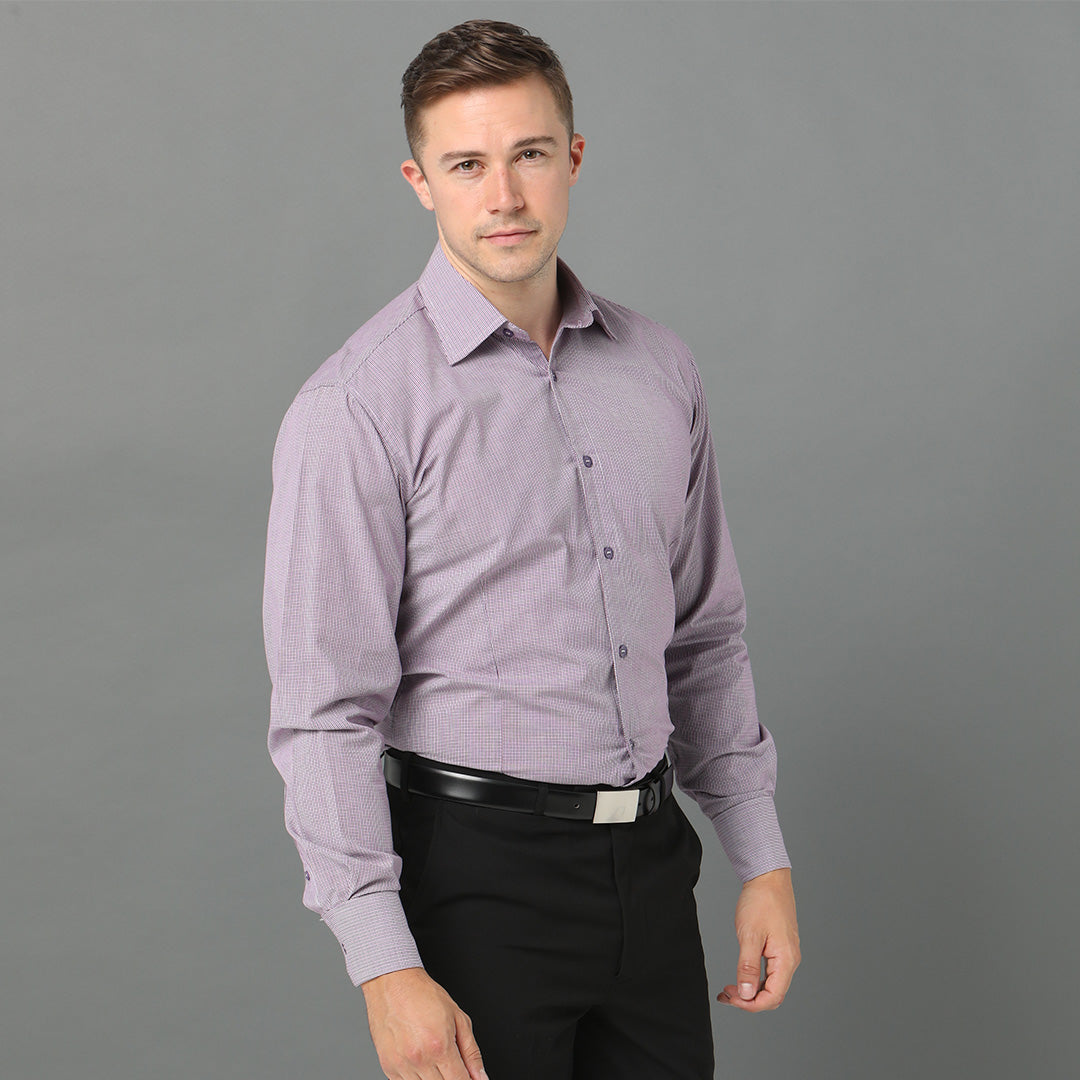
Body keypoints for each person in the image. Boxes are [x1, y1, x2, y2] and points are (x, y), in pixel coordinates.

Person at [264, 19, 800, 1080]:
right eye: (467, 164)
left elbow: (705, 635)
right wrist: (384, 965)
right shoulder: (356, 407)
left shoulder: (661, 370)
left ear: (574, 158)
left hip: (653, 869)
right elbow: (324, 711)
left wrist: (762, 857)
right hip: (473, 882)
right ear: (421, 181)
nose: (503, 194)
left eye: (529, 154)